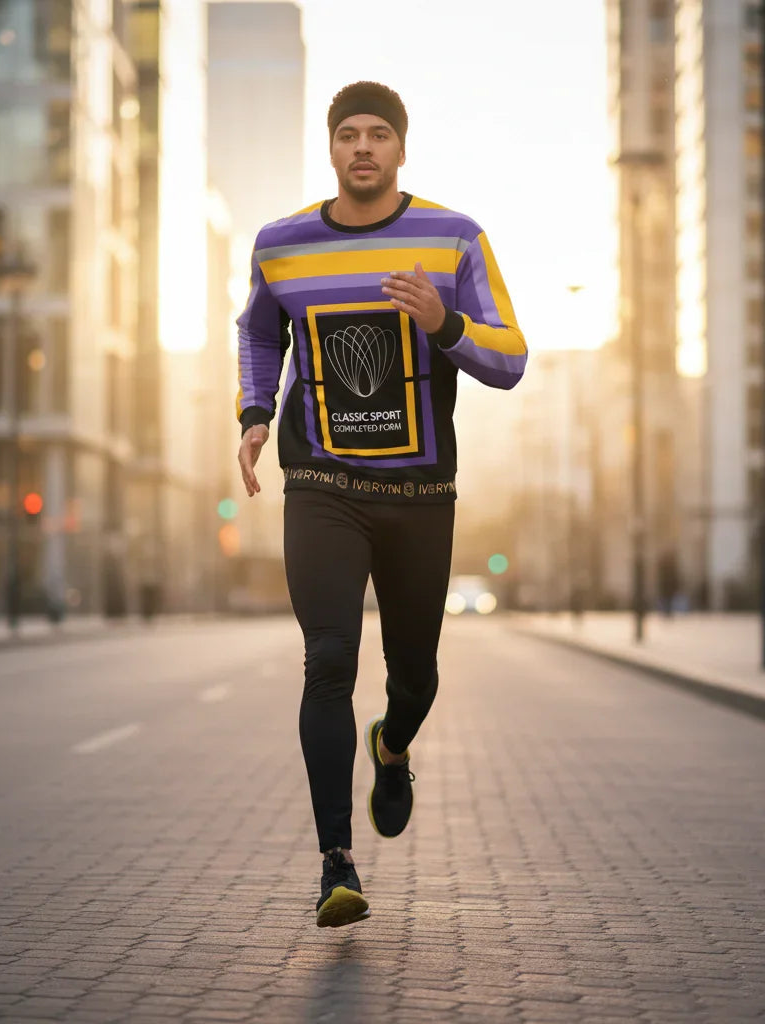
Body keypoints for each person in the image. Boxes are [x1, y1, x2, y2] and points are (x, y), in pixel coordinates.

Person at [235, 81, 527, 928]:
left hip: (420, 493)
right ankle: (336, 862)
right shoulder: (281, 244)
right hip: (322, 485)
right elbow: (259, 330)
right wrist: (256, 414)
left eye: (378, 136)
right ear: (331, 149)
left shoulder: (453, 237)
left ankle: (392, 745)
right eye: (348, 135)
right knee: (328, 659)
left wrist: (444, 324)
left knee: (418, 675)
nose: (363, 148)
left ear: (401, 148)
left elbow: (510, 358)